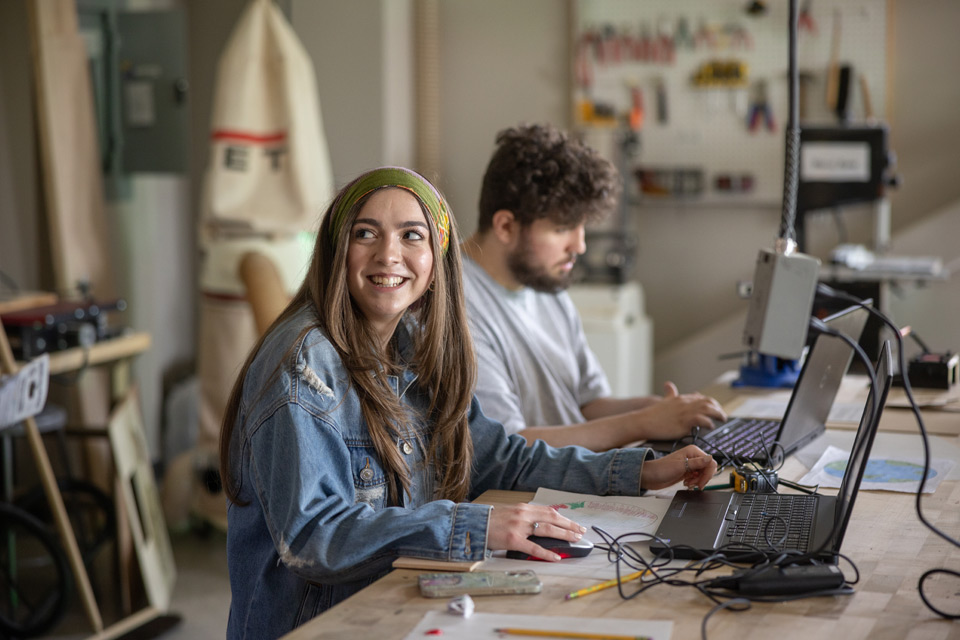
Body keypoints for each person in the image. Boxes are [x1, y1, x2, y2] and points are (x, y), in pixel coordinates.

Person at [219, 166, 718, 638]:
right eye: (365, 233)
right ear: (336, 252)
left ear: (436, 263)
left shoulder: (411, 345)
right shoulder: (304, 364)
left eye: (411, 235)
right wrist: (479, 524)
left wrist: (636, 474)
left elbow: (498, 456)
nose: (388, 254)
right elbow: (316, 537)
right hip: (325, 626)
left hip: (398, 605)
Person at [462, 124, 727, 451]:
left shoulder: (545, 284)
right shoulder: (457, 305)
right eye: (562, 229)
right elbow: (508, 446)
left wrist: (661, 409)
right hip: (516, 496)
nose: (580, 245)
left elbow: (589, 405)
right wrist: (642, 423)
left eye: (582, 226)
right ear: (505, 226)